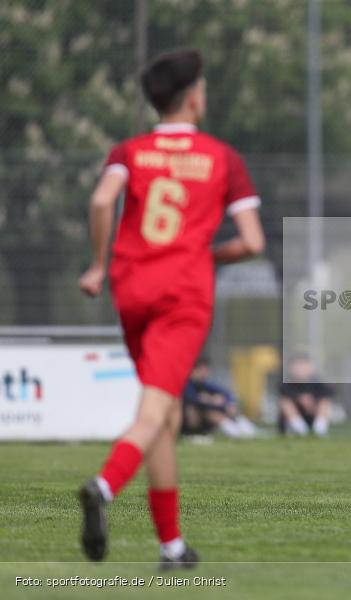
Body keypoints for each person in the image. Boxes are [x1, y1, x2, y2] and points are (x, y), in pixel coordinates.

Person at [76, 49, 265, 568]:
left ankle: (172, 546)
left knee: (168, 412)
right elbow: (251, 241)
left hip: (131, 288)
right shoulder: (222, 158)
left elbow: (99, 202)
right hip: (183, 295)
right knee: (155, 410)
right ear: (193, 97)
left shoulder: (128, 151)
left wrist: (97, 265)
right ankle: (104, 486)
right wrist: (209, 253)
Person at [182, 357, 256, 439]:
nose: (205, 373)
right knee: (201, 411)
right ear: (193, 371)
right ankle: (235, 433)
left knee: (227, 407)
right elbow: (192, 400)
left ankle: (244, 429)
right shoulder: (186, 384)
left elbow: (226, 393)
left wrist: (225, 404)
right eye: (201, 370)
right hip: (187, 418)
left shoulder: (204, 383)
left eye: (206, 370)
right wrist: (212, 401)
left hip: (208, 411)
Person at [278, 353, 334, 437]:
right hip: (294, 419)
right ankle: (299, 430)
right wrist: (300, 399)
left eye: (303, 365)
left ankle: (319, 430)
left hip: (312, 416)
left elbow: (328, 394)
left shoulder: (319, 384)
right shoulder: (286, 384)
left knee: (325, 402)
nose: (300, 369)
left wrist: (313, 402)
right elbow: (285, 394)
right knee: (285, 402)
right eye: (297, 366)